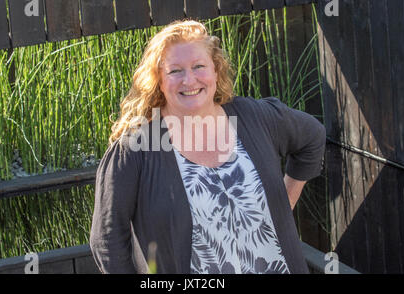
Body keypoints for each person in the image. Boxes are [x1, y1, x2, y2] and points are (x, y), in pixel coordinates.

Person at [90, 20, 326, 274]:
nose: (189, 80)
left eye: (199, 66)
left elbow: (313, 135)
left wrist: (285, 201)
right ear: (158, 81)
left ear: (216, 70)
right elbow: (107, 240)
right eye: (175, 71)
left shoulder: (253, 117)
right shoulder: (136, 147)